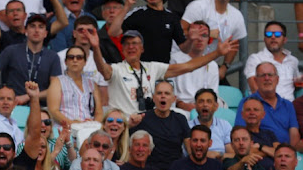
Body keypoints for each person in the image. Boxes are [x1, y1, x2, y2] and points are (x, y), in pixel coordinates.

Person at [87, 28, 237, 117]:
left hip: (147, 122)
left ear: (142, 49)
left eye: (135, 44)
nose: (131, 47)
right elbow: (103, 69)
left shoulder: (152, 67)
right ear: (123, 49)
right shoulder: (117, 68)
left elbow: (187, 66)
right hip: (123, 124)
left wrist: (217, 53)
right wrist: (96, 48)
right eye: (127, 44)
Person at [0, 13, 62, 105]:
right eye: (32, 26)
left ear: (45, 33)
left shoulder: (53, 57)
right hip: (13, 106)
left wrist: (29, 96)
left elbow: (56, 88)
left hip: (41, 108)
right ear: (25, 31)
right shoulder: (11, 50)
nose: (36, 30)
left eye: (41, 27)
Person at [109, 0, 186, 64]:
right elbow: (113, 32)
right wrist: (126, 7)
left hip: (162, 70)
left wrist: (192, 38)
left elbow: (184, 47)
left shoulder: (172, 17)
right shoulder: (137, 13)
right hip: (139, 68)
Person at [181, 0, 246, 71]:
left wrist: (225, 66)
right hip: (188, 62)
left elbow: (234, 45)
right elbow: (181, 31)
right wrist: (206, 34)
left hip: (212, 67)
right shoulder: (198, 6)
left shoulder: (237, 16)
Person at [235, 63, 300, 148]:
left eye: (270, 75)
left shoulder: (288, 105)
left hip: (285, 154)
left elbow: (294, 135)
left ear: (277, 79)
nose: (267, 78)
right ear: (255, 80)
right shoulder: (247, 103)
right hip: (260, 154)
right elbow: (241, 134)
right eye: (263, 75)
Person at [130, 80, 190, 170]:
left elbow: (190, 148)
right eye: (159, 93)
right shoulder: (142, 118)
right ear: (153, 98)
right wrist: (129, 125)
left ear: (174, 98)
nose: (163, 96)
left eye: (167, 93)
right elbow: (125, 143)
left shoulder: (180, 119)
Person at [245, 21, 301, 102]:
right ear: (264, 39)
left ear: (284, 39)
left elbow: (297, 85)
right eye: (269, 34)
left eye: (277, 34)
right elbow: (254, 89)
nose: (273, 37)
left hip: (289, 108)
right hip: (265, 107)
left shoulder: (293, 60)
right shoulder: (255, 59)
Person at [47, 45, 103, 125]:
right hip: (65, 129)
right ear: (65, 62)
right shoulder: (57, 82)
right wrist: (74, 124)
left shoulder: (92, 84)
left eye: (79, 57)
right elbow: (53, 110)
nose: (75, 60)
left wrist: (93, 125)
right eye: (71, 57)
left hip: (89, 129)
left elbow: (99, 111)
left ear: (85, 62)